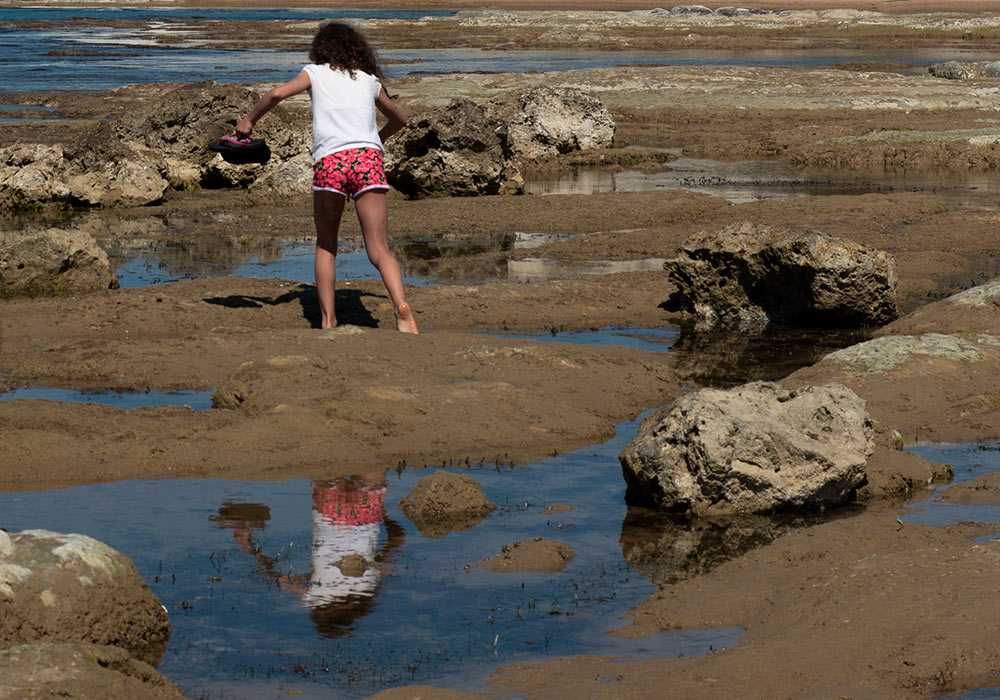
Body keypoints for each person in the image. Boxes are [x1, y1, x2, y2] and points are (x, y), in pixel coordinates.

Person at [235, 22, 418, 334]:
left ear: (321, 49)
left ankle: (328, 321)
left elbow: (278, 93)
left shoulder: (315, 73)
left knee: (326, 245)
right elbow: (400, 119)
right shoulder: (369, 80)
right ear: (357, 50)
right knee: (379, 249)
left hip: (331, 161)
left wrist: (248, 120)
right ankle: (401, 307)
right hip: (367, 159)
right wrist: (375, 141)